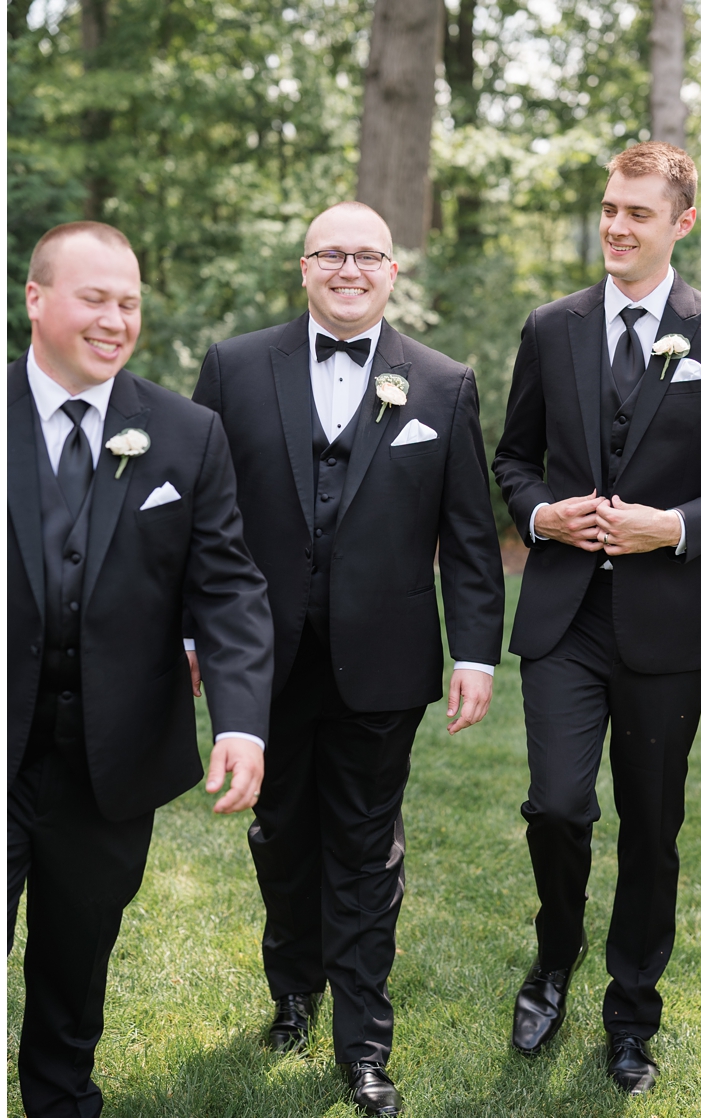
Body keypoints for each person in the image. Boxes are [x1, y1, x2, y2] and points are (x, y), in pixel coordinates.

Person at [192, 202, 505, 1116]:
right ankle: (293, 987)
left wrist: (476, 652)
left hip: (385, 659)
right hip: (263, 657)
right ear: (304, 266)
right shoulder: (238, 367)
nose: (349, 268)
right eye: (332, 253)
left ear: (391, 272)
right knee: (281, 835)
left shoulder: (443, 385)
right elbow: (202, 523)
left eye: (368, 255)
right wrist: (189, 636)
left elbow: (471, 536)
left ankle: (364, 1043)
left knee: (367, 852)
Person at [492, 142, 701, 1095]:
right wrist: (539, 514)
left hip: (668, 628)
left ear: (681, 223)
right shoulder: (549, 327)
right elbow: (513, 460)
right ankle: (554, 959)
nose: (615, 226)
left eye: (638, 213)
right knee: (557, 807)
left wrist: (673, 526)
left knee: (653, 825)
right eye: (608, 208)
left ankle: (632, 1010)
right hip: (565, 618)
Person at [7, 221, 275, 1117]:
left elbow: (229, 588)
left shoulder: (186, 433)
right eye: (96, 298)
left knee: (76, 966)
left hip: (109, 755)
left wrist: (239, 720)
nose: (116, 320)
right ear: (37, 300)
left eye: (129, 303)